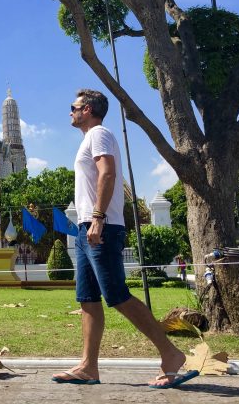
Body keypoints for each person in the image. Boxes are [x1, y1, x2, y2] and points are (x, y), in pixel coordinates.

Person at [51, 89, 196, 389]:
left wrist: (98, 218)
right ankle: (89, 366)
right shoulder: (88, 139)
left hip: (100, 225)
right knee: (88, 299)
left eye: (73, 107)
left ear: (88, 109)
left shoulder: (98, 134)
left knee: (116, 294)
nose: (70, 112)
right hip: (84, 227)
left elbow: (108, 174)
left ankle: (170, 354)